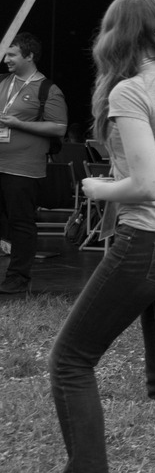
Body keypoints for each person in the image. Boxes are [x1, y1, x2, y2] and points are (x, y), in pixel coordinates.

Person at [17, 0, 155, 473]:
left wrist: (98, 185)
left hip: (149, 241)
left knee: (70, 361)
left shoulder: (130, 90)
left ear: (114, 34)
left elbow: (145, 185)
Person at [0, 32, 69, 296]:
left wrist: (19, 124)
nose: (6, 59)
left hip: (23, 169)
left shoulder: (47, 89)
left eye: (12, 54)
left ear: (29, 56)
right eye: (6, 54)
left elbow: (60, 127)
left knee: (21, 223)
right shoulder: (4, 82)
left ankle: (17, 278)